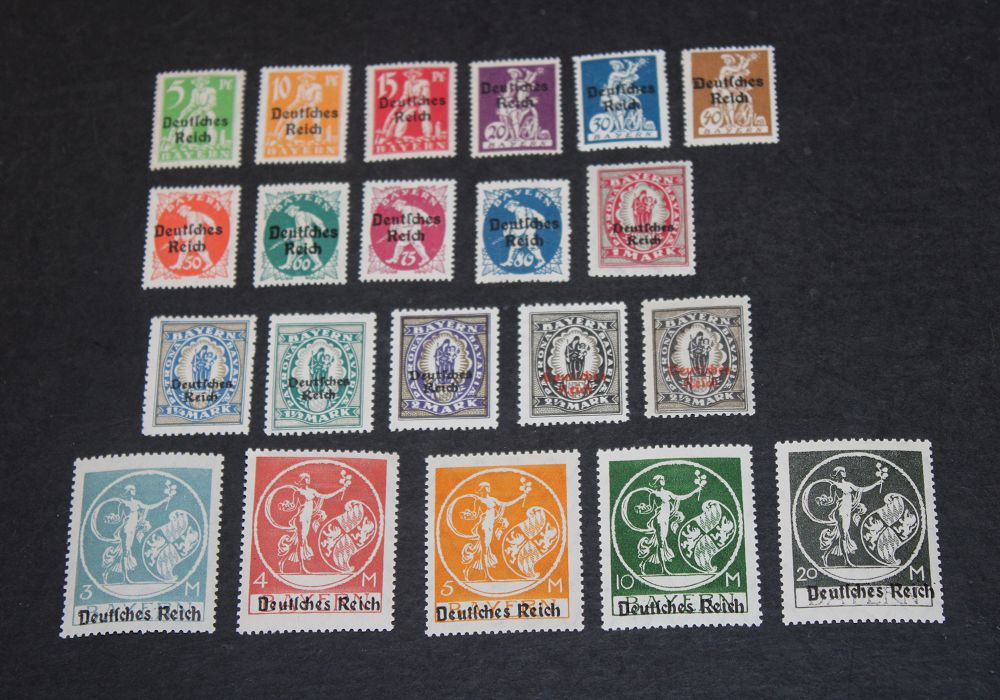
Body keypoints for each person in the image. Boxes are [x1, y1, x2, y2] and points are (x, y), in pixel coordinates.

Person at [96, 483, 172, 584]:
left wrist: (163, 501)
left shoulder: (137, 502)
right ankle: (125, 578)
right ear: (128, 491)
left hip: (132, 530)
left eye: (134, 489)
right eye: (132, 490)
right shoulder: (123, 504)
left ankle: (106, 573)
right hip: (126, 530)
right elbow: (119, 518)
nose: (134, 491)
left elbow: (149, 507)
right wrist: (111, 519)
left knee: (123, 553)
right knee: (125, 553)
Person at [631, 474, 703, 575]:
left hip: (665, 520)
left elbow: (680, 497)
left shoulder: (667, 493)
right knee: (661, 544)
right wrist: (641, 509)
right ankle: (664, 569)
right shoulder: (654, 494)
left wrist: (694, 491)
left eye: (663, 479)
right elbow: (650, 508)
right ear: (657, 482)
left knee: (660, 544)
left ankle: (642, 563)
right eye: (661, 479)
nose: (663, 480)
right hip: (659, 519)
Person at [458, 481, 527, 581]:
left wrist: (520, 498)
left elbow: (505, 504)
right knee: (484, 551)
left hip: (490, 526)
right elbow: (475, 515)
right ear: (482, 489)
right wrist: (467, 515)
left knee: (482, 550)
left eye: (489, 486)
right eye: (487, 487)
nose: (489, 488)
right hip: (484, 526)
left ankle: (467, 570)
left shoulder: (493, 499)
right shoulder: (479, 500)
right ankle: (487, 576)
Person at [281, 473, 348, 574]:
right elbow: (293, 506)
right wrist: (285, 506)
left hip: (308, 519)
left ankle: (282, 562)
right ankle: (302, 568)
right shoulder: (298, 492)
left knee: (299, 542)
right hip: (301, 518)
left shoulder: (312, 491)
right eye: (306, 478)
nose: (308, 479)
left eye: (309, 478)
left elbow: (324, 496)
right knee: (301, 542)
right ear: (302, 480)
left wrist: (339, 490)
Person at [817, 466, 884, 566]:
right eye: (842, 471)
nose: (844, 473)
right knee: (843, 535)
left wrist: (875, 484)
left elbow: (861, 489)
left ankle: (825, 555)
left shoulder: (849, 484)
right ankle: (847, 561)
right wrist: (823, 502)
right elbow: (832, 500)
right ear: (838, 474)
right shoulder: (834, 486)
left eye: (844, 471)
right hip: (840, 512)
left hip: (847, 512)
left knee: (841, 536)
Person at [381, 68, 432, 139]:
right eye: (408, 75)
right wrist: (399, 102)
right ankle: (398, 135)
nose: (410, 77)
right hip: (412, 104)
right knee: (403, 116)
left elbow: (424, 96)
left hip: (423, 103)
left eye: (412, 75)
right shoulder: (407, 83)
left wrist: (414, 102)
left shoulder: (424, 83)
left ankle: (427, 135)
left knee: (425, 114)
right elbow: (405, 95)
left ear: (416, 75)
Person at [272, 72, 324, 140]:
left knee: (317, 122)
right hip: (304, 107)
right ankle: (289, 139)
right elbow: (298, 99)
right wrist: (291, 106)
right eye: (302, 79)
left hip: (314, 107)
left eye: (305, 79)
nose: (303, 81)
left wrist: (310, 105)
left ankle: (318, 140)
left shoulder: (317, 87)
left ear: (309, 80)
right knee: (295, 120)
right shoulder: (300, 87)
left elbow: (318, 100)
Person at [275, 204, 325, 272]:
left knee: (309, 249)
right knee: (294, 249)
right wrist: (322, 226)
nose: (289, 214)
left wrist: (294, 237)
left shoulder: (298, 216)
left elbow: (303, 228)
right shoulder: (307, 213)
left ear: (294, 210)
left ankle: (318, 263)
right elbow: (315, 219)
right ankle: (288, 264)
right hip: (304, 234)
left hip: (305, 235)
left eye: (289, 212)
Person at [168, 203, 217, 272]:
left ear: (185, 210)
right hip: (197, 232)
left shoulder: (191, 215)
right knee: (184, 248)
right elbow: (206, 218)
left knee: (199, 248)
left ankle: (209, 263)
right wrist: (213, 225)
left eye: (180, 212)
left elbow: (194, 228)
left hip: (197, 233)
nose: (180, 214)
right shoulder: (195, 213)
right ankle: (178, 265)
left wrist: (183, 236)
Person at [500, 199, 546, 268]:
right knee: (517, 246)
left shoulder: (519, 211)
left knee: (530, 246)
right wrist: (541, 223)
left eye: (509, 207)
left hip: (526, 231)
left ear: (513, 205)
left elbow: (523, 224)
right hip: (530, 230)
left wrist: (512, 230)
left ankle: (541, 261)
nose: (508, 209)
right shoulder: (528, 209)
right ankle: (509, 262)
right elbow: (541, 217)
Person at [384, 202, 432, 266]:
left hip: (414, 228)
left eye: (396, 206)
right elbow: (406, 222)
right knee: (400, 244)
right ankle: (394, 259)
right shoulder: (404, 210)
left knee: (416, 243)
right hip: (409, 230)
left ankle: (426, 258)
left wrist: (429, 222)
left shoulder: (409, 208)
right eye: (394, 206)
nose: (395, 208)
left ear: (400, 204)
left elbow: (419, 214)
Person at [603, 58, 645, 130]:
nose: (614, 67)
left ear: (619, 66)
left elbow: (630, 75)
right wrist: (630, 65)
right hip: (611, 94)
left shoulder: (619, 75)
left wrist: (636, 66)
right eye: (614, 66)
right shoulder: (613, 74)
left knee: (624, 105)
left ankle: (623, 123)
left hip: (615, 94)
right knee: (619, 110)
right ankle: (621, 128)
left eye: (616, 65)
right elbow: (626, 74)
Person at [175, 75, 219, 144]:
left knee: (210, 125)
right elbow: (192, 104)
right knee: (189, 124)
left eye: (201, 82)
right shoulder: (194, 91)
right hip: (198, 111)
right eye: (197, 83)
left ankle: (211, 144)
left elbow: (212, 104)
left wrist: (202, 110)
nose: (198, 84)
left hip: (208, 111)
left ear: (204, 83)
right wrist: (185, 110)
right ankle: (186, 143)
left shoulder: (211, 91)